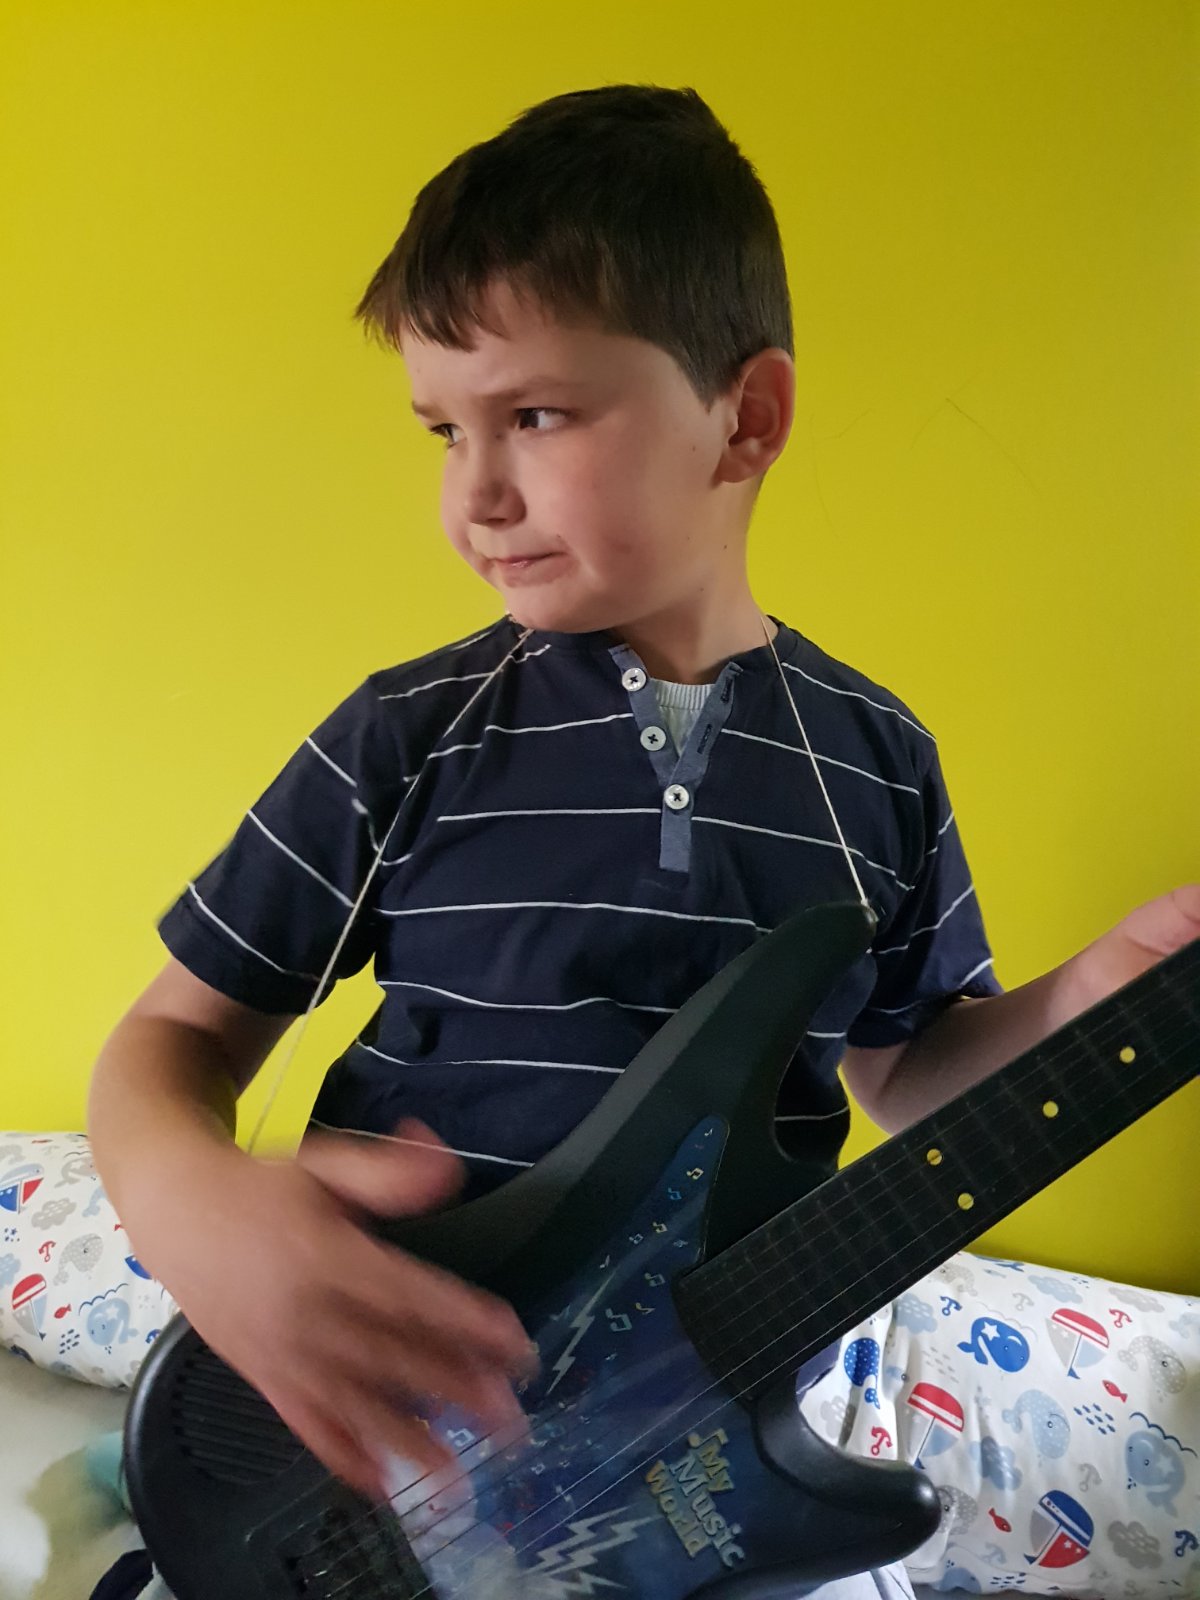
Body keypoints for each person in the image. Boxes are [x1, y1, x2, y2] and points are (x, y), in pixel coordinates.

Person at [86, 84, 1198, 1600]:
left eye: (535, 416)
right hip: (371, 1453)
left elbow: (913, 1073)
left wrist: (1099, 994)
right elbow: (170, 1041)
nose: (476, 495)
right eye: (444, 430)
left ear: (747, 418)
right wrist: (193, 1206)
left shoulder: (876, 762)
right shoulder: (408, 730)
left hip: (680, 1470)